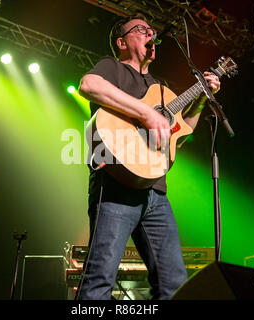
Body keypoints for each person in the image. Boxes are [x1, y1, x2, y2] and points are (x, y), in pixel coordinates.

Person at [76, 14, 220, 300]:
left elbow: (183, 131)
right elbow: (88, 85)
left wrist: (202, 98)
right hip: (116, 185)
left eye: (151, 30)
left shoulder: (161, 90)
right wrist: (145, 112)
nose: (149, 34)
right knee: (99, 281)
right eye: (141, 30)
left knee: (174, 283)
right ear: (121, 42)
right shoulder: (112, 67)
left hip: (155, 193)